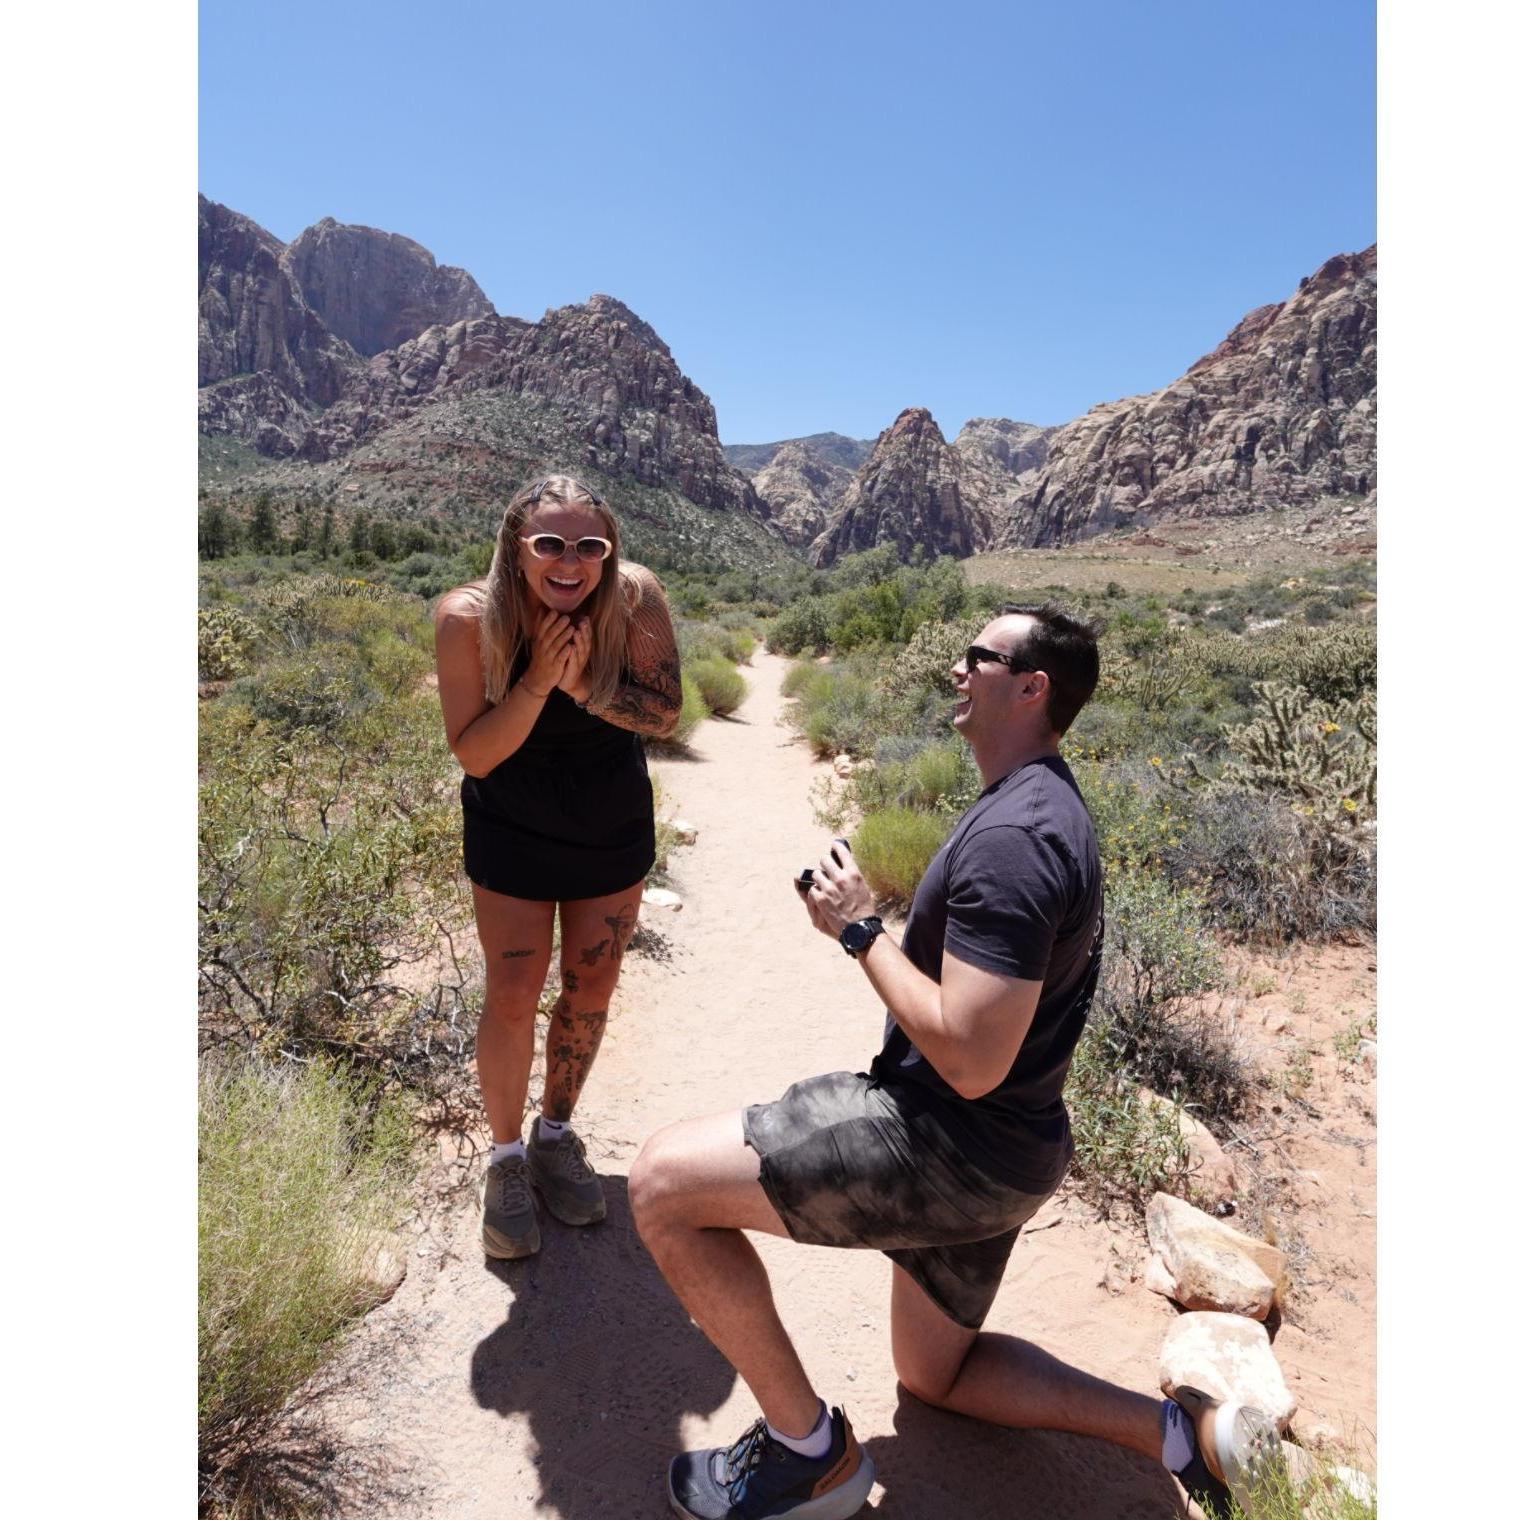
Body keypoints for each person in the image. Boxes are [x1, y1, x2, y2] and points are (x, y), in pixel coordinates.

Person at [629, 605, 1284, 1520]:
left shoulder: (1019, 840)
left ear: (1031, 687)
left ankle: (805, 1454)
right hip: (1012, 1153)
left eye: (975, 657)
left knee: (662, 1186)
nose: (955, 671)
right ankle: (1181, 1434)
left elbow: (971, 1058)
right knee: (939, 1375)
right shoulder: (1038, 802)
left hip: (940, 1141)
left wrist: (861, 931)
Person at [435, 474, 681, 1260]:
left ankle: (555, 1135)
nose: (570, 562)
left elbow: (663, 712)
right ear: (518, 547)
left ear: (610, 554)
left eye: (589, 546)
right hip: (511, 825)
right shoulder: (468, 617)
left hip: (609, 826)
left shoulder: (634, 600)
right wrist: (541, 681)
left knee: (592, 987)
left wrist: (584, 684)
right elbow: (475, 753)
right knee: (511, 993)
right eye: (550, 543)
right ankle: (505, 1162)